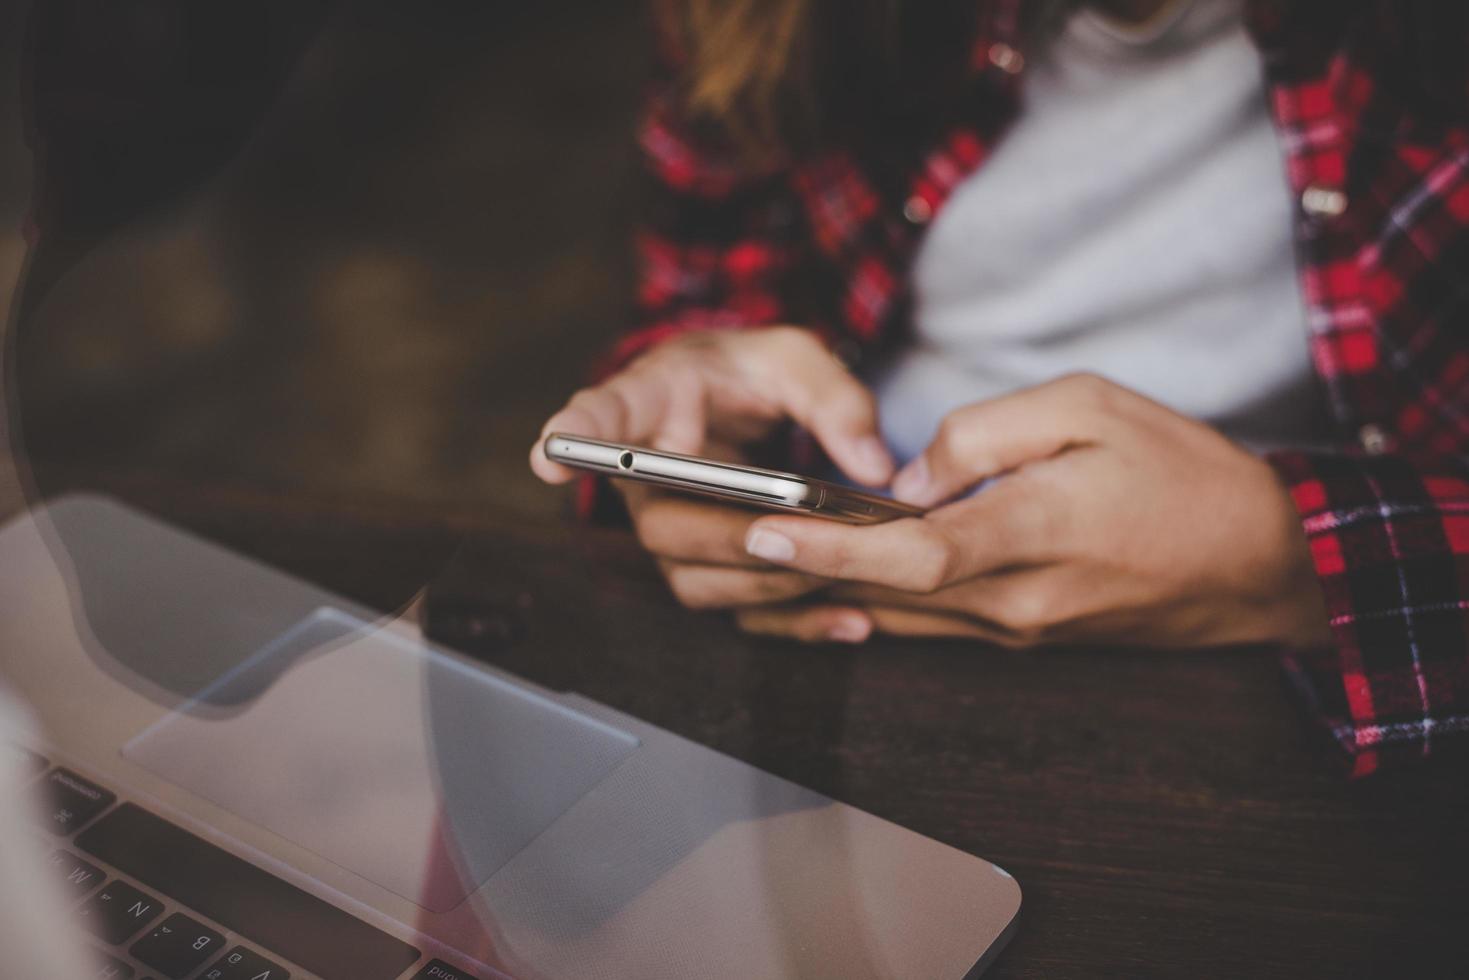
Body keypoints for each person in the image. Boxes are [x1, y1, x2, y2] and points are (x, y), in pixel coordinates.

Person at [531, 0, 1469, 776]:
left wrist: (1293, 568)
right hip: (848, 639)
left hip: (1279, 701)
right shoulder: (763, 18)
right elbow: (699, 286)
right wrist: (693, 392)